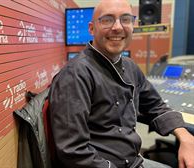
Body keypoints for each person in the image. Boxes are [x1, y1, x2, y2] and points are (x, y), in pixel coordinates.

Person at [48, 0, 194, 168]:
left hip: (133, 160)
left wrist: (186, 137)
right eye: (107, 20)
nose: (117, 27)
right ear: (91, 28)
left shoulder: (130, 66)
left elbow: (156, 106)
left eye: (125, 19)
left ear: (133, 25)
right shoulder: (75, 75)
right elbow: (73, 152)